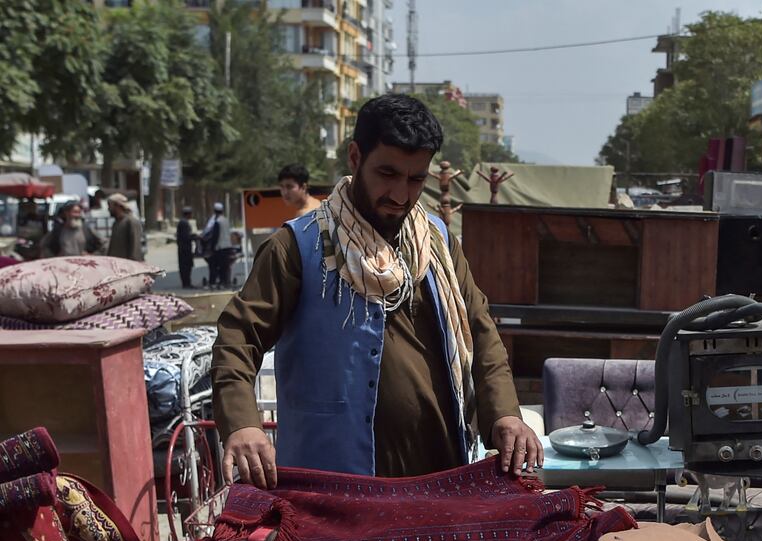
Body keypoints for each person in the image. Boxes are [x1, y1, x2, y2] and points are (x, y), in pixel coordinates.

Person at [213, 93, 540, 488]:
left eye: (415, 179)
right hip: (331, 488)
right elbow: (238, 336)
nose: (401, 195)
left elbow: (481, 331)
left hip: (440, 475)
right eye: (387, 174)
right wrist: (243, 424)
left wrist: (505, 413)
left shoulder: (437, 242)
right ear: (355, 158)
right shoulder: (297, 246)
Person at [38, 200, 103, 258]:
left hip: (83, 266)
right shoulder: (58, 230)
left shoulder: (86, 229)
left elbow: (105, 243)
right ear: (66, 213)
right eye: (75, 212)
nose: (77, 215)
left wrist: (93, 255)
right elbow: (43, 245)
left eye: (79, 212)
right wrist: (53, 257)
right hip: (63, 267)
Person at [201, 202, 232, 288]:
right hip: (228, 246)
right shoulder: (226, 220)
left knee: (216, 266)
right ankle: (225, 282)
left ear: (215, 211)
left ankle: (216, 282)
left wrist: (212, 248)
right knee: (225, 266)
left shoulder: (217, 222)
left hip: (220, 247)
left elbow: (215, 236)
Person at [105, 193, 144, 261]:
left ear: (117, 206)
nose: (108, 209)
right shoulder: (116, 223)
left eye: (109, 206)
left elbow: (135, 250)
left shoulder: (131, 222)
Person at [176, 207, 197, 288]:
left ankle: (186, 282)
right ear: (188, 214)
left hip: (183, 247)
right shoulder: (184, 223)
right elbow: (186, 237)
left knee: (185, 266)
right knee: (186, 266)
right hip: (185, 248)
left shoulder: (183, 222)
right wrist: (194, 237)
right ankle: (186, 283)